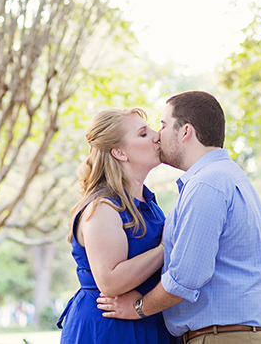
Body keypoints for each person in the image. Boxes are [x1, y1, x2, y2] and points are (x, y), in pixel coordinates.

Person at [98, 91, 261, 344]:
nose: (158, 135)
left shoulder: (207, 184)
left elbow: (185, 277)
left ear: (185, 132)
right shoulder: (226, 177)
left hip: (223, 338)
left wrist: (138, 308)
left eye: (162, 125)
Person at [57, 107, 174, 344]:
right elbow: (109, 281)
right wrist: (165, 249)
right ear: (119, 152)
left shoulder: (148, 203)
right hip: (109, 328)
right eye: (143, 133)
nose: (156, 136)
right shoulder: (103, 207)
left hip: (147, 322)